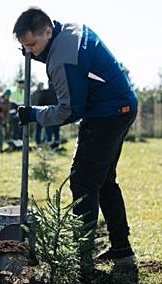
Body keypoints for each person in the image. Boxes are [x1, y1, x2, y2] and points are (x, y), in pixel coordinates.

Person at [13, 7, 138, 267]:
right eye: (26, 46)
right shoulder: (69, 30)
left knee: (83, 182)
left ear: (48, 31)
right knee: (103, 181)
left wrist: (34, 114)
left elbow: (69, 110)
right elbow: (79, 67)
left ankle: (80, 260)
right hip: (121, 104)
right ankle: (122, 250)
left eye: (33, 44)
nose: (31, 51)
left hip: (108, 113)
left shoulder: (62, 60)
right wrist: (37, 53)